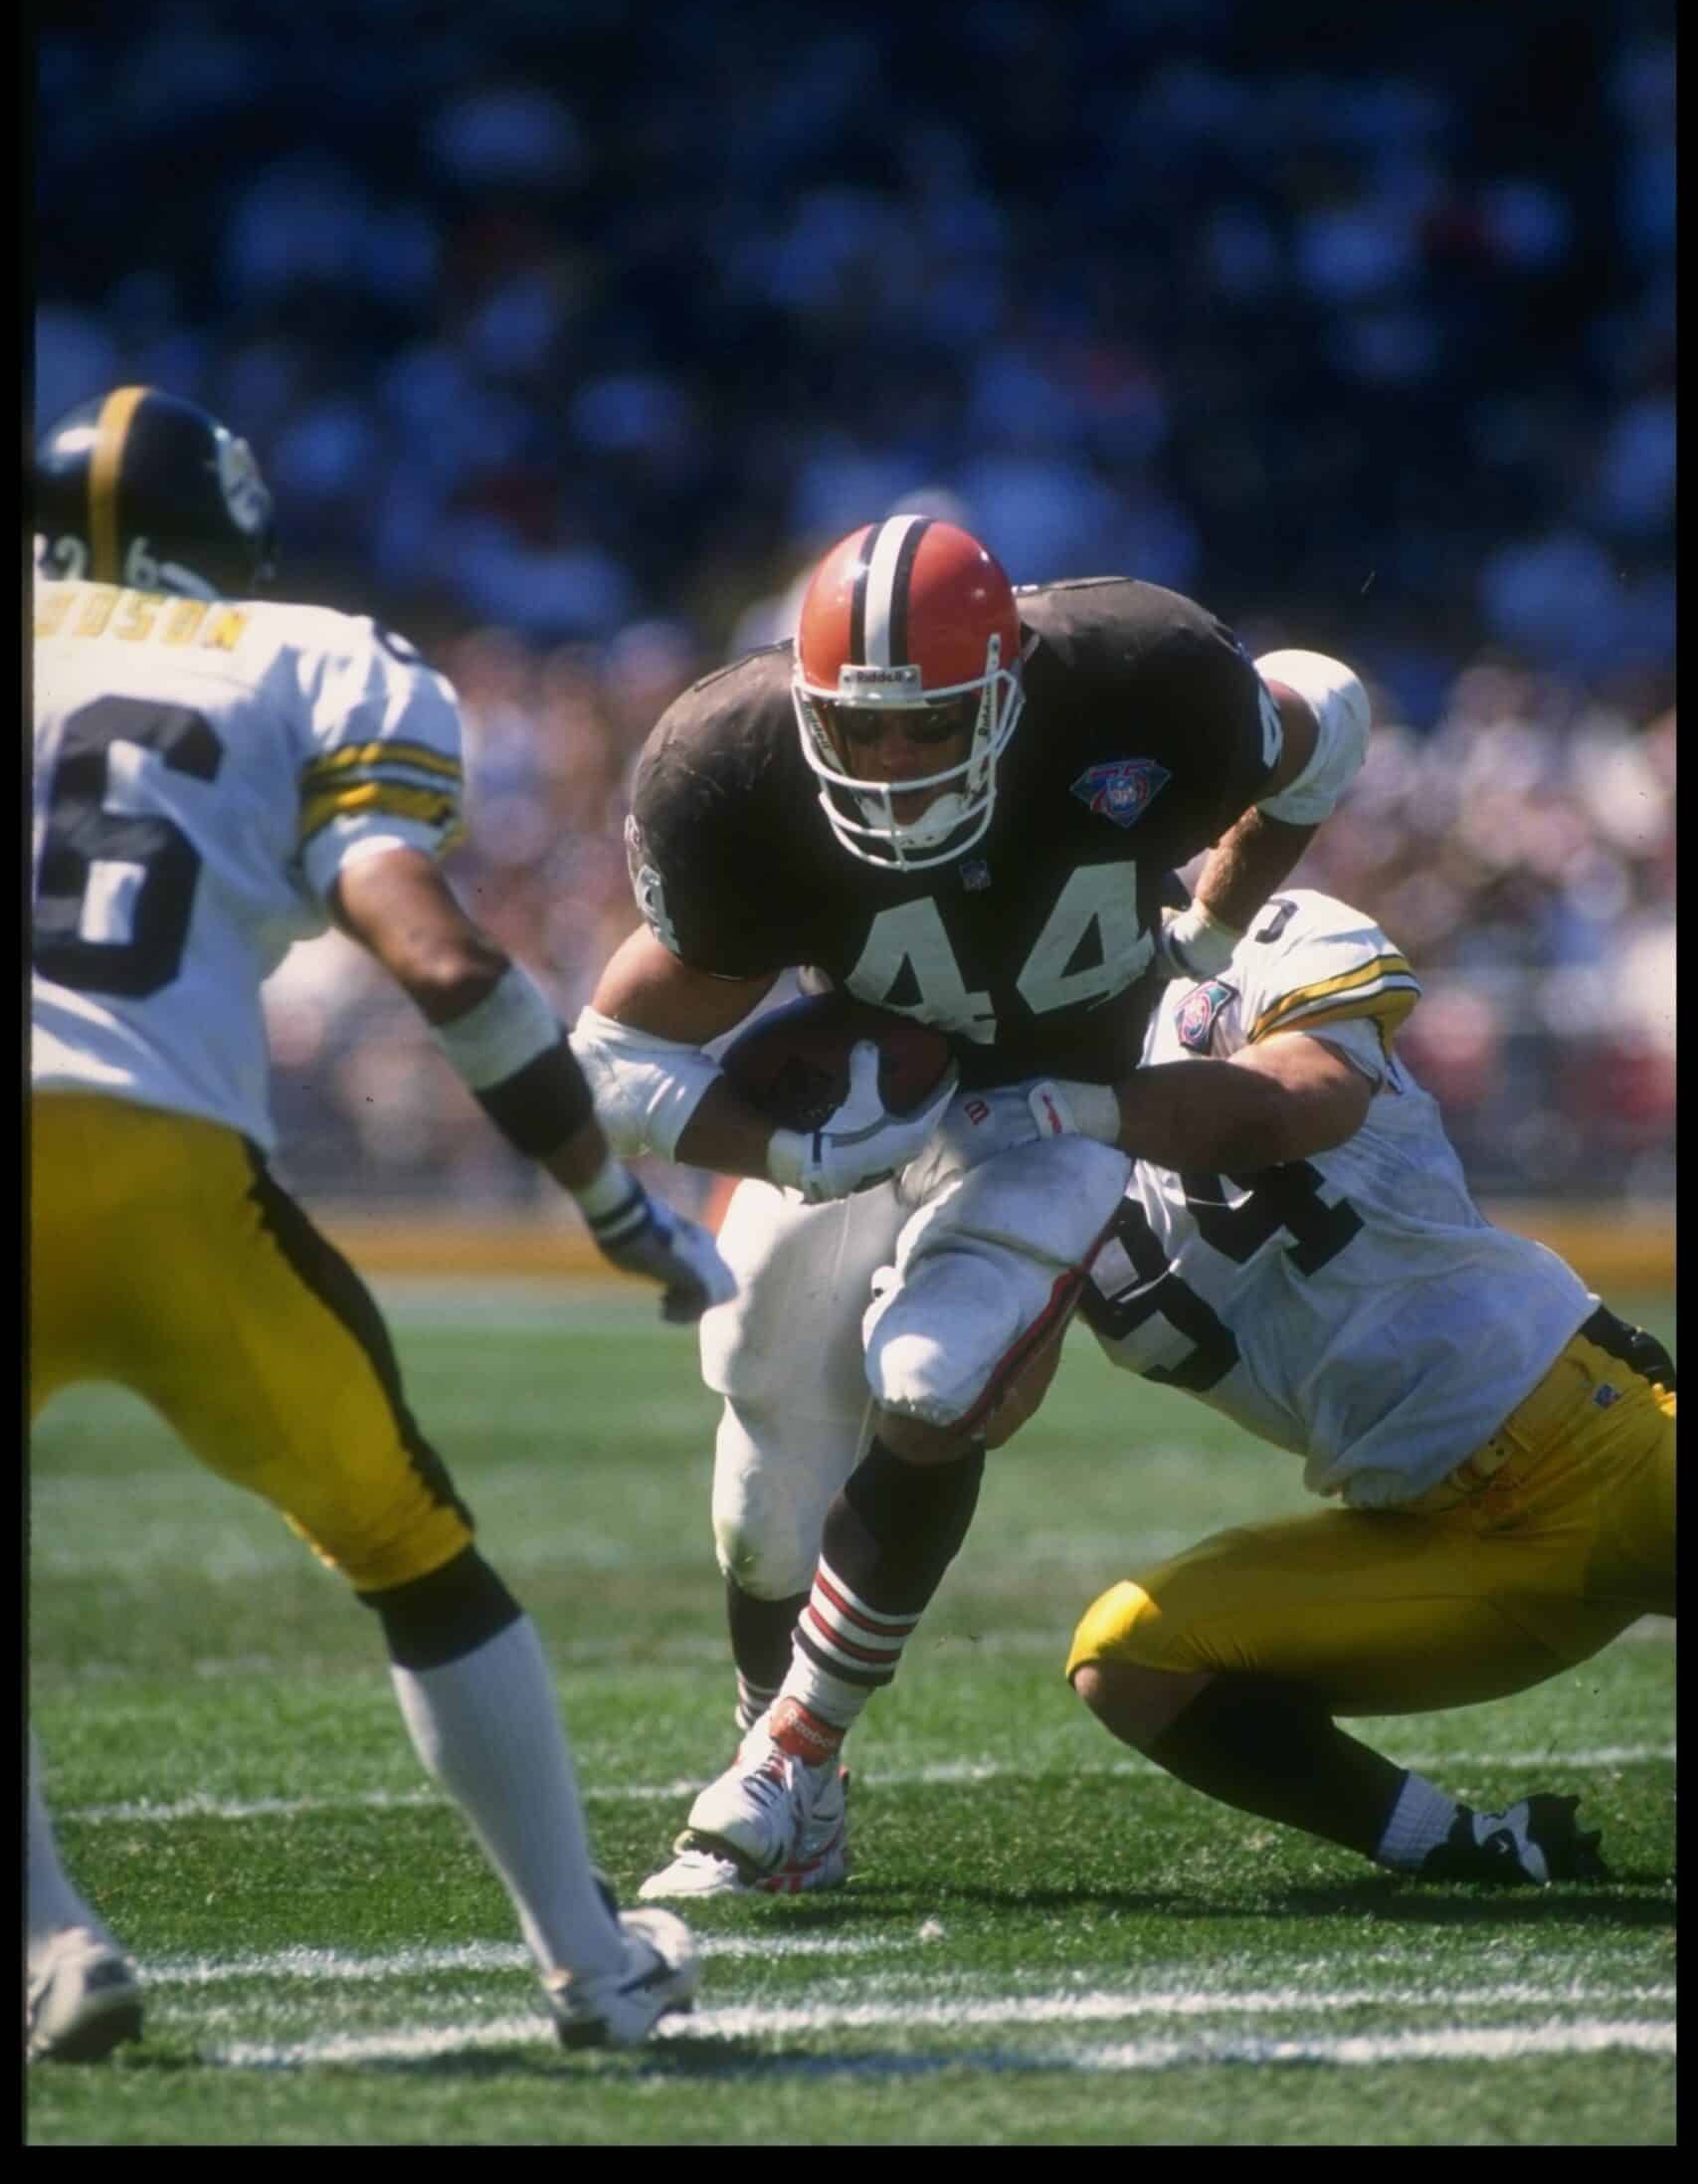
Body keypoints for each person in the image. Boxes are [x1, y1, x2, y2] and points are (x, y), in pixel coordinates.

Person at [29, 386, 732, 2061]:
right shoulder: (316, 656)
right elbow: (442, 962)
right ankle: (590, 1965)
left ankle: (53, 1943)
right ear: (238, 541)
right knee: (411, 1551)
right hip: (154, 1166)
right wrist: (609, 1198)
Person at [566, 510, 1372, 1896]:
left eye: (926, 726)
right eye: (857, 729)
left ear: (1004, 691)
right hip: (866, 1117)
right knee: (762, 1463)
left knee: (934, 1383)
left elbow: (1330, 716)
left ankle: (781, 1769)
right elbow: (610, 1058)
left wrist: (1209, 935)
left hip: (1056, 1105)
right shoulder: (733, 766)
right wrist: (790, 1153)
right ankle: (789, 1779)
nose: (886, 761)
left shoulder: (1140, 679)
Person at [1041, 884, 1675, 1886]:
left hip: (1595, 1429)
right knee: (1129, 1657)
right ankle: (1463, 1846)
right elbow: (980, 1405)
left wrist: (1073, 1108)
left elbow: (1304, 1098)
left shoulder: (1257, 933)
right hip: (1436, 1537)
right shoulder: (1003, 1153)